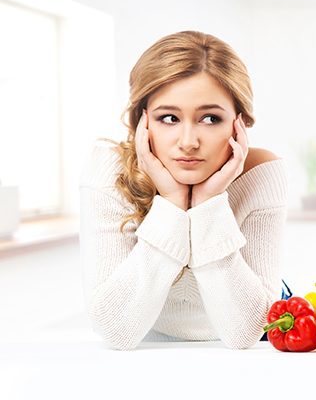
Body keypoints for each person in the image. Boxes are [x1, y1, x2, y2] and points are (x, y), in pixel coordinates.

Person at [79, 30, 291, 350]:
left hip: (246, 330)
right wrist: (173, 204)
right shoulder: (110, 170)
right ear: (142, 121)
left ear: (240, 122)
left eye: (210, 118)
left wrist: (208, 203)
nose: (189, 141)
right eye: (169, 118)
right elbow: (115, 330)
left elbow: (246, 332)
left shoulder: (260, 173)